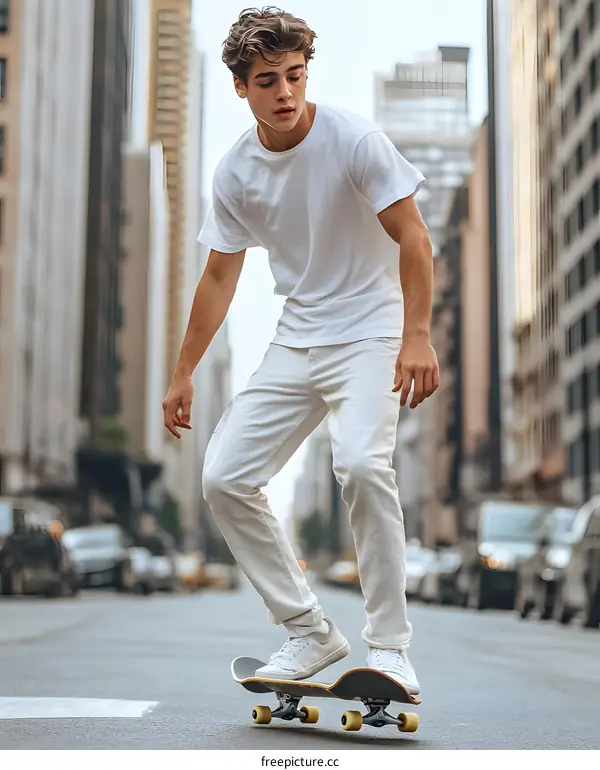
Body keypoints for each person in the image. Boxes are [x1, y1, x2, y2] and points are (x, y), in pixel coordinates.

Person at [162, 6, 439, 694]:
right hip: (299, 335)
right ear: (241, 88)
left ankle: (390, 649)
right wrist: (182, 373)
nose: (284, 92)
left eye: (294, 75)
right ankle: (310, 631)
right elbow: (220, 276)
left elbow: (414, 238)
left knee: (362, 467)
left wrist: (418, 334)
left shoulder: (354, 140)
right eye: (266, 80)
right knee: (225, 476)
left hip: (372, 330)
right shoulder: (235, 174)